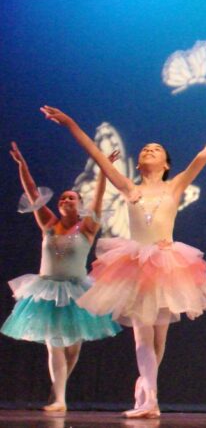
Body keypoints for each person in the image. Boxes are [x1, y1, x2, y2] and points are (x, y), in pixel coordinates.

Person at [42, 102, 206, 418]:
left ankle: (145, 387)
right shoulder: (128, 187)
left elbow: (205, 154)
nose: (148, 151)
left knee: (159, 339)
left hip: (167, 263)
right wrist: (71, 123)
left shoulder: (176, 185)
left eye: (155, 150)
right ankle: (150, 402)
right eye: (145, 149)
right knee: (142, 335)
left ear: (166, 163)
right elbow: (98, 155)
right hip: (134, 263)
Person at [2, 142, 122, 412]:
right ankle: (60, 399)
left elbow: (100, 197)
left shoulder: (88, 227)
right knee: (54, 344)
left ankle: (59, 389)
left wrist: (104, 170)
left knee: (73, 347)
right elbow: (32, 192)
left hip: (77, 290)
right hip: (46, 290)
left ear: (80, 205)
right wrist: (23, 166)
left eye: (71, 198)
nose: (65, 200)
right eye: (62, 198)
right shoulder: (48, 223)